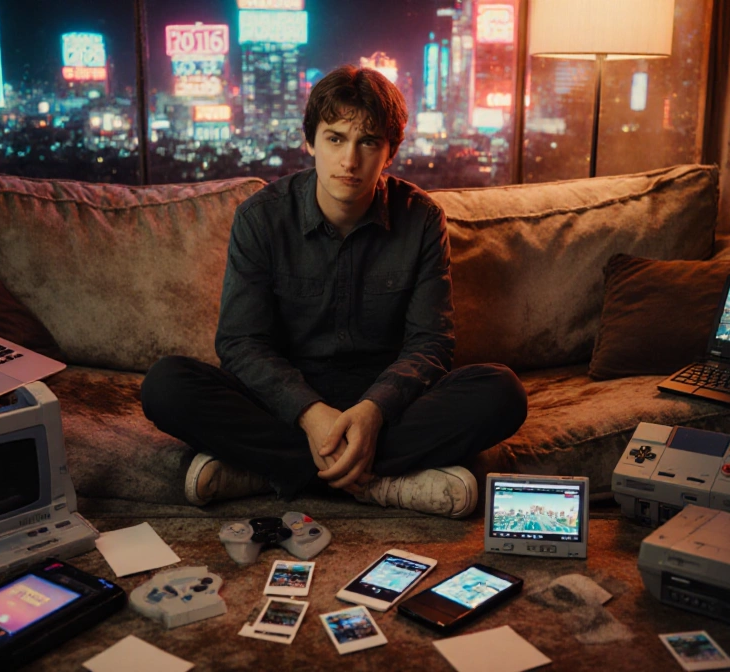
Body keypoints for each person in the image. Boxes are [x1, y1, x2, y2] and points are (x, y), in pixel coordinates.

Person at [141, 65, 527, 518]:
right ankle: (381, 483)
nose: (349, 161)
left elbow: (431, 343)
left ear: (391, 151)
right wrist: (309, 414)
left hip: (388, 405)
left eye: (368, 142)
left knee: (502, 392)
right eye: (335, 138)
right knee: (165, 386)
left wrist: (372, 411)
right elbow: (241, 343)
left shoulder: (422, 220)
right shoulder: (261, 219)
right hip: (285, 402)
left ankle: (267, 473)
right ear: (310, 142)